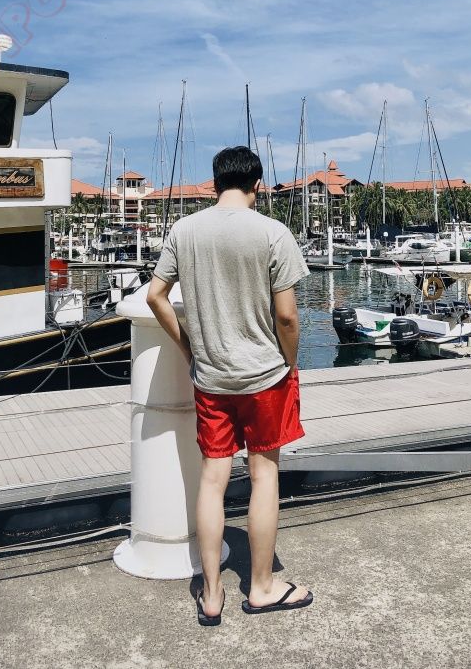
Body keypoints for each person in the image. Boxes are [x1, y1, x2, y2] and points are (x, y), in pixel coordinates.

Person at [147, 145, 313, 626]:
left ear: (215, 183)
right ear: (257, 185)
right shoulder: (273, 233)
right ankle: (261, 587)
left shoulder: (184, 231)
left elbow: (156, 296)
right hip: (265, 377)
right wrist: (290, 362)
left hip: (212, 377)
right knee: (264, 476)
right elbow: (287, 316)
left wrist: (189, 348)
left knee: (212, 480)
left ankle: (213, 593)